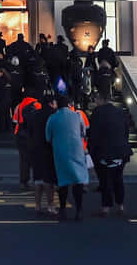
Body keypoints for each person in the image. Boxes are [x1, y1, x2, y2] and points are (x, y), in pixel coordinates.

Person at [46, 94, 89, 222]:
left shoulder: (53, 118)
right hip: (76, 150)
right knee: (78, 181)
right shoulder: (77, 116)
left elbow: (48, 137)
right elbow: (84, 132)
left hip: (60, 152)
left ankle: (63, 210)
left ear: (57, 104)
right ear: (69, 104)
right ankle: (79, 210)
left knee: (63, 182)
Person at [88, 91, 132, 216]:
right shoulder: (120, 112)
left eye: (96, 99)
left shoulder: (97, 113)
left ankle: (106, 207)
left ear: (100, 99)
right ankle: (121, 205)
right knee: (118, 178)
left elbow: (94, 134)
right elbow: (126, 130)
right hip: (121, 150)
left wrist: (92, 150)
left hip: (104, 152)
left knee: (105, 180)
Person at [26, 93, 58, 216]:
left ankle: (38, 205)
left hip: (35, 149)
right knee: (49, 180)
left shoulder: (35, 114)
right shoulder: (53, 115)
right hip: (48, 149)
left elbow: (29, 131)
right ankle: (50, 205)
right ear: (51, 104)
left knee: (37, 178)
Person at [13, 94, 41, 189]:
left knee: (24, 160)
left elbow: (15, 120)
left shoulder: (19, 105)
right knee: (36, 160)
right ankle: (36, 180)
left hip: (21, 135)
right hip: (33, 135)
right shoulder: (37, 105)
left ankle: (23, 181)